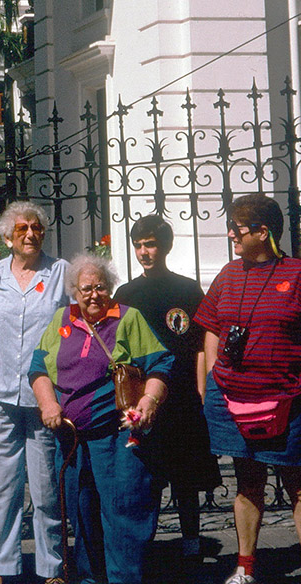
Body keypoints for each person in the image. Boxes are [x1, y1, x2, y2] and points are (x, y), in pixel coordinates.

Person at [193, 194, 301, 584]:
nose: (231, 235)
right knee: (247, 485)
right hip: (235, 399)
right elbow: (210, 325)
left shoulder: (300, 275)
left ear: (263, 232)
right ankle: (245, 570)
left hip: (286, 402)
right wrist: (210, 377)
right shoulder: (228, 274)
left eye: (238, 229)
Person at [30, 254, 172, 584]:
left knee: (125, 506)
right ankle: (94, 583)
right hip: (73, 436)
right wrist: (48, 404)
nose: (94, 294)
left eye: (100, 287)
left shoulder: (127, 318)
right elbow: (37, 367)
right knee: (82, 508)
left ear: (109, 288)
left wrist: (148, 401)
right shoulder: (61, 320)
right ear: (74, 292)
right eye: (85, 288)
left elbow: (160, 363)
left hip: (118, 433)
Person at [0, 201, 69, 584]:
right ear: (8, 236)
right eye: (21, 228)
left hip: (46, 399)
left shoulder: (60, 274)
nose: (29, 234)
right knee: (2, 488)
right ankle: (1, 567)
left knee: (45, 488)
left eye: (36, 227)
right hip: (1, 393)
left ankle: (52, 566)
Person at [113, 215, 221, 557]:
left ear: (166, 246)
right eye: (138, 245)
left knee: (186, 475)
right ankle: (146, 544)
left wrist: (203, 389)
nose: (144, 252)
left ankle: (191, 541)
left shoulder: (187, 290)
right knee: (146, 476)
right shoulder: (126, 293)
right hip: (142, 399)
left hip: (183, 396)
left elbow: (202, 342)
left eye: (150, 244)